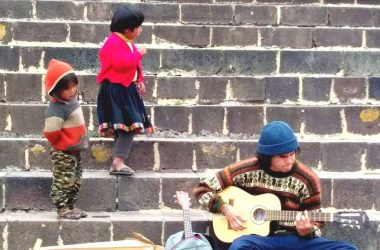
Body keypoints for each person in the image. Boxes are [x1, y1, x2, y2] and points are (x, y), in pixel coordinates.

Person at [193, 121, 357, 250]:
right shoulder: (246, 170)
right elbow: (203, 189)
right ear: (267, 156)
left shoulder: (307, 178)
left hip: (293, 239)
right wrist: (226, 209)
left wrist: (306, 230)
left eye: (293, 153)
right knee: (240, 246)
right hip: (258, 240)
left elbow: (317, 222)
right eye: (283, 156)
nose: (290, 159)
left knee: (347, 248)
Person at [96, 5, 154, 176]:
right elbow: (122, 64)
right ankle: (118, 162)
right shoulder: (112, 43)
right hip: (116, 90)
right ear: (128, 29)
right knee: (129, 125)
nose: (140, 30)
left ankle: (118, 160)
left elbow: (135, 66)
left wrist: (140, 79)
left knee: (125, 125)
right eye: (138, 27)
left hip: (127, 88)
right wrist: (139, 53)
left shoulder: (127, 41)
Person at [43, 59, 89, 220]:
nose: (72, 90)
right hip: (63, 151)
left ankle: (71, 205)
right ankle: (62, 208)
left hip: (74, 148)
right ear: (55, 91)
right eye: (66, 88)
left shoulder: (71, 101)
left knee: (76, 179)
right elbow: (51, 133)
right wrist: (63, 144)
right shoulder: (55, 109)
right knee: (64, 179)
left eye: (74, 86)